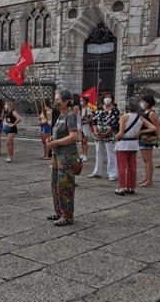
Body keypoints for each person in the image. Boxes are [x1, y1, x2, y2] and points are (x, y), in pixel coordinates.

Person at [46, 90, 79, 226]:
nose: (55, 102)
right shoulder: (60, 115)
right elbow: (59, 132)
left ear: (66, 102)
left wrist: (56, 143)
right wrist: (52, 138)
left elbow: (74, 136)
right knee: (55, 184)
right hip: (57, 154)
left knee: (65, 186)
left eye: (58, 99)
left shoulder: (70, 116)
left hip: (66, 155)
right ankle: (59, 211)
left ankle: (67, 216)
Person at [114, 98, 156, 195]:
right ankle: (131, 187)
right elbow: (153, 127)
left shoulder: (123, 117)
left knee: (122, 167)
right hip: (133, 144)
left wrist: (116, 136)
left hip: (123, 144)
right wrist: (140, 132)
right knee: (132, 166)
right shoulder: (140, 117)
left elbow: (120, 134)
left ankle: (121, 188)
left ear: (127, 106)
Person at [90, 93, 120, 181]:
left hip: (109, 136)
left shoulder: (115, 110)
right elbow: (94, 121)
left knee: (111, 155)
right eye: (106, 97)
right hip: (98, 135)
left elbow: (114, 124)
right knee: (98, 154)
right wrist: (95, 131)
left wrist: (106, 133)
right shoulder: (98, 109)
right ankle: (97, 172)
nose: (107, 99)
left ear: (112, 99)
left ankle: (113, 174)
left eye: (109, 97)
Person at [138, 94, 160, 187]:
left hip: (148, 138)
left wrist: (142, 131)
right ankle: (146, 178)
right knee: (145, 160)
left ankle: (149, 180)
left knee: (148, 160)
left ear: (147, 103)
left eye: (143, 101)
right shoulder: (145, 112)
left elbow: (156, 128)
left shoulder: (151, 113)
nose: (141, 103)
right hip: (142, 138)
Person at [80, 96, 93, 162]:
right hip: (80, 126)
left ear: (85, 101)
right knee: (81, 141)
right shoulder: (79, 109)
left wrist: (85, 121)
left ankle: (85, 155)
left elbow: (91, 118)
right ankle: (82, 153)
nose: (81, 101)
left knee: (85, 141)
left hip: (85, 126)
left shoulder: (87, 109)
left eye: (82, 100)